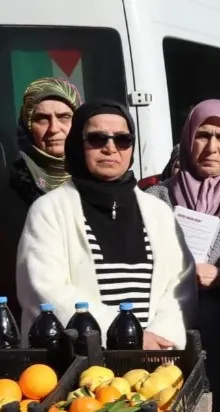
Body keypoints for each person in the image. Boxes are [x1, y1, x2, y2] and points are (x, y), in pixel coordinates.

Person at [17, 99, 197, 349]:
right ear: (77, 143)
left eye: (122, 140)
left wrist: (160, 338)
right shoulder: (49, 210)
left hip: (153, 362)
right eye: (97, 138)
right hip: (75, 361)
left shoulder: (158, 212)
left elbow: (181, 284)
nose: (110, 148)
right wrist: (127, 335)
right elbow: (45, 290)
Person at [146, 99, 220, 412]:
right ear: (188, 137)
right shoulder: (156, 199)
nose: (212, 147)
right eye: (203, 135)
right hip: (168, 346)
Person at [0, 78, 82, 322]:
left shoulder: (98, 182)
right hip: (25, 323)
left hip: (92, 321)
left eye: (64, 117)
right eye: (42, 119)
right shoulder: (8, 186)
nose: (54, 128)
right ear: (27, 125)